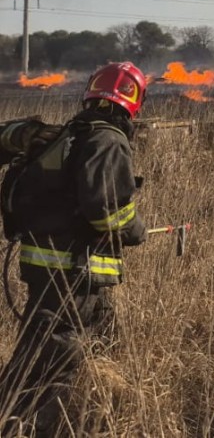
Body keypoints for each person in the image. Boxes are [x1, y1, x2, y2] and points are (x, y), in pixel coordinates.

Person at [0, 62, 149, 436]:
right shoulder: (108, 140)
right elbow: (108, 212)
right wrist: (137, 231)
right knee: (50, 365)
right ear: (134, 101)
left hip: (55, 271)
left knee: (65, 351)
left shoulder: (64, 135)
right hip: (73, 275)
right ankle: (21, 427)